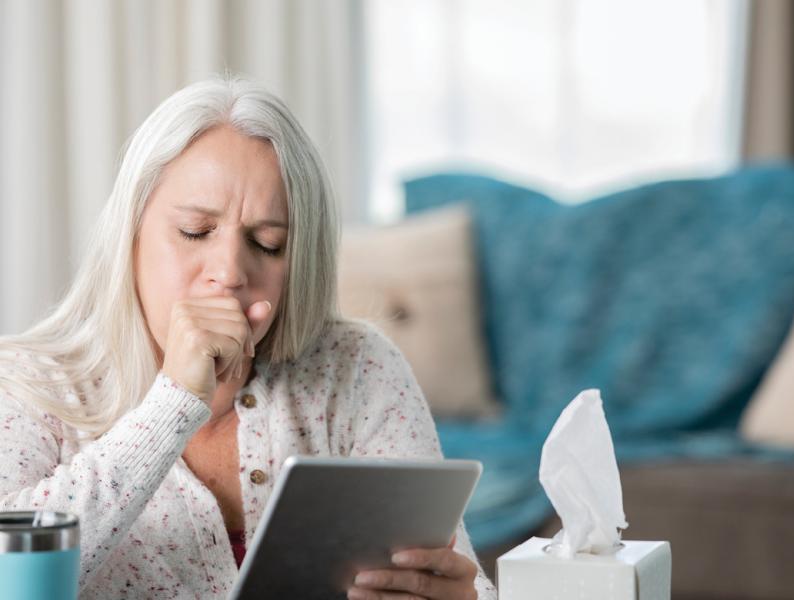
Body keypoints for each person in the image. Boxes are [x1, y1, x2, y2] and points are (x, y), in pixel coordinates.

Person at [0, 75, 496, 599]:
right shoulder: (28, 386)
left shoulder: (356, 367)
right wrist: (173, 403)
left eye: (268, 243)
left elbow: (458, 573)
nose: (231, 271)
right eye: (195, 231)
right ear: (132, 233)